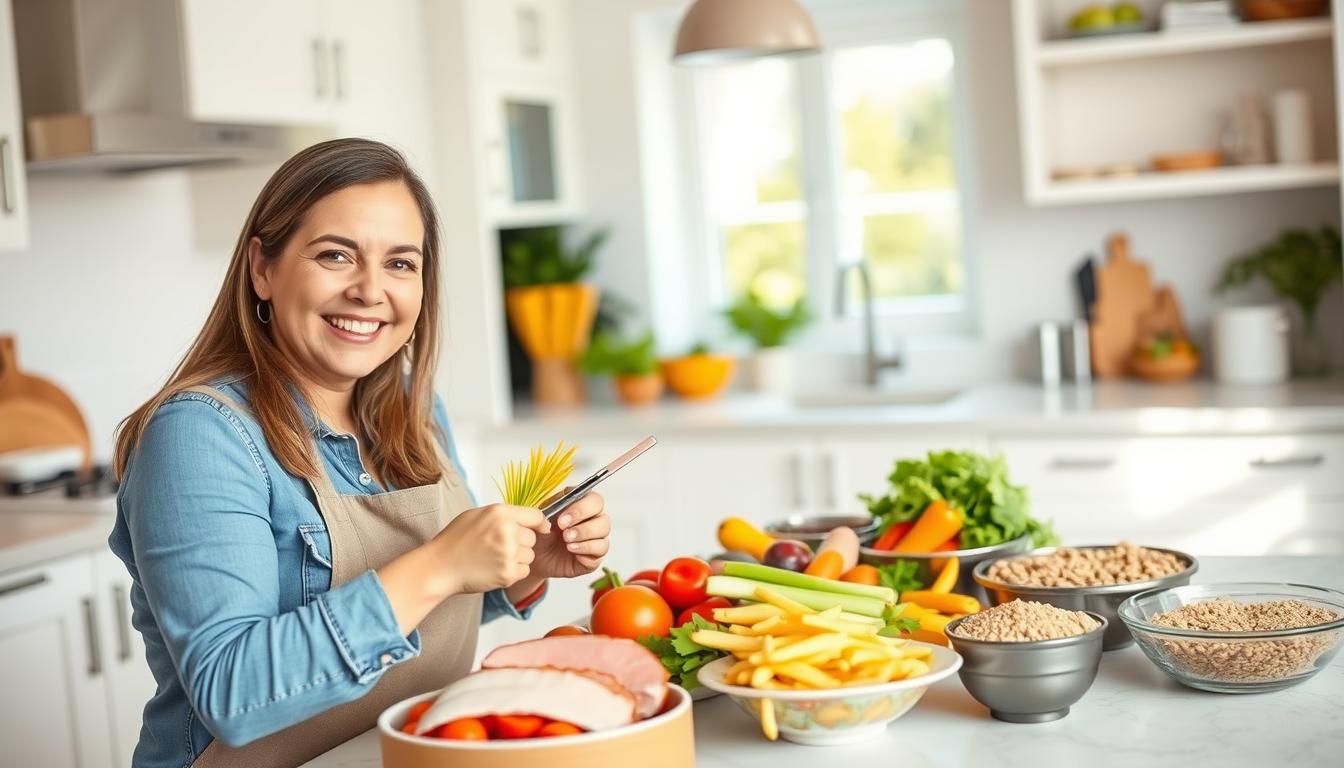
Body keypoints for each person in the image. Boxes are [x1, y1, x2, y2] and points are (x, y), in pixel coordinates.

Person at [108, 138, 610, 767]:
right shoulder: (201, 435)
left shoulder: (414, 408)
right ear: (263, 268)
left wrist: (529, 563)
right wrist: (440, 564)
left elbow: (427, 615)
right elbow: (231, 692)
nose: (371, 291)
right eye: (336, 255)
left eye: (401, 263)